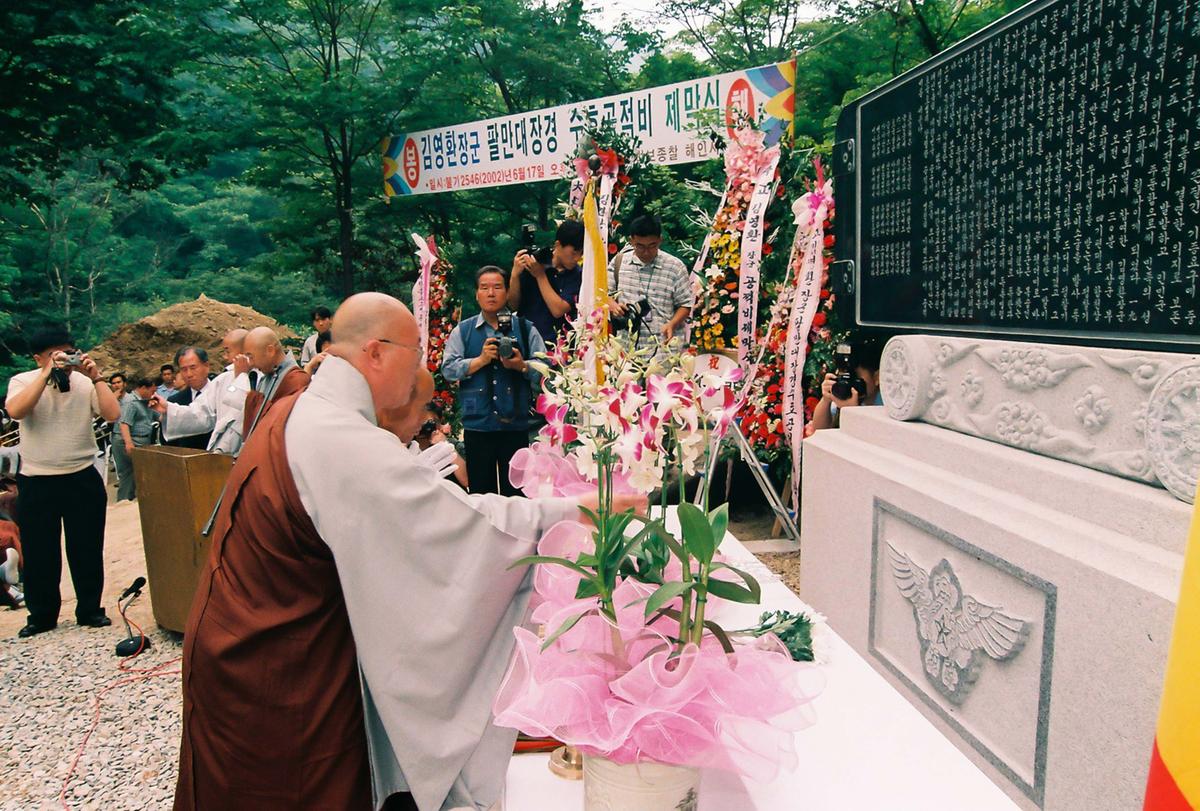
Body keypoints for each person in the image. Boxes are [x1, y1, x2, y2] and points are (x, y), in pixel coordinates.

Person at [173, 292, 644, 811]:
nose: (425, 367)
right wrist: (575, 512)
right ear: (375, 352)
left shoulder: (310, 408)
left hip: (250, 637)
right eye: (417, 352)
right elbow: (457, 526)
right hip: (274, 664)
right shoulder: (337, 434)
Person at [5, 327, 120, 637]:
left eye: (68, 353)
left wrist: (96, 378)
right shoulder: (23, 381)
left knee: (87, 547)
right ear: (38, 358)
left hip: (81, 475)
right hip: (37, 479)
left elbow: (112, 414)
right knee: (40, 551)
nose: (64, 360)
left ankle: (90, 609)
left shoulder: (84, 382)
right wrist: (46, 374)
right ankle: (42, 615)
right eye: (55, 355)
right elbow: (16, 410)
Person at [443, 266, 546, 496]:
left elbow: (546, 369)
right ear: (476, 294)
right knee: (481, 494)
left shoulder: (525, 328)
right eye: (484, 288)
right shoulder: (464, 331)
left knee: (517, 493)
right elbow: (448, 369)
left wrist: (521, 365)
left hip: (516, 423)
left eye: (497, 287)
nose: (491, 293)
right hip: (478, 424)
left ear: (507, 292)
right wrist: (480, 360)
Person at [153, 330, 252, 456]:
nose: (225, 357)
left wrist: (242, 377)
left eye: (228, 351)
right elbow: (201, 413)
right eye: (184, 369)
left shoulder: (263, 377)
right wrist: (169, 408)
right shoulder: (223, 379)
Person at [608, 214, 694, 353]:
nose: (646, 252)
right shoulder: (619, 262)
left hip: (663, 348)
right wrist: (614, 306)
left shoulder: (675, 267)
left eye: (652, 246)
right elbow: (605, 294)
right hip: (626, 348)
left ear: (660, 240)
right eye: (640, 246)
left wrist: (672, 324)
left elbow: (685, 304)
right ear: (631, 241)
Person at [507, 220, 584, 345]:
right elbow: (513, 305)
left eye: (581, 254)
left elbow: (558, 310)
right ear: (558, 245)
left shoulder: (577, 275)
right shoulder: (536, 261)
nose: (577, 258)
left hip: (557, 345)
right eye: (573, 253)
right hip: (526, 341)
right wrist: (515, 275)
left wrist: (540, 275)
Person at [240, 326, 308, 438]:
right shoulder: (266, 377)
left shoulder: (297, 380)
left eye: (251, 356)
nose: (251, 363)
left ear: (270, 351)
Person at [811, 340, 885, 431]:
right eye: (845, 375)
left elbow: (874, 434)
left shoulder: (885, 405)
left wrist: (851, 411)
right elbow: (819, 430)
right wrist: (826, 400)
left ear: (877, 377)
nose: (849, 382)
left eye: (855, 376)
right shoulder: (845, 392)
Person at [158, 347, 214, 450]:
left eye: (193, 368)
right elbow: (168, 442)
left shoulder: (220, 394)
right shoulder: (174, 401)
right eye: (184, 369)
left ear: (206, 366)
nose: (189, 374)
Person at [112, 376, 157, 501]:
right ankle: (123, 503)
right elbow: (124, 423)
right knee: (128, 475)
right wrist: (128, 443)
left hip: (142, 441)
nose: (153, 394)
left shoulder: (145, 401)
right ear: (143, 388)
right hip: (128, 441)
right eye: (152, 391)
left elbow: (158, 416)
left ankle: (131, 501)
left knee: (137, 476)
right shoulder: (131, 402)